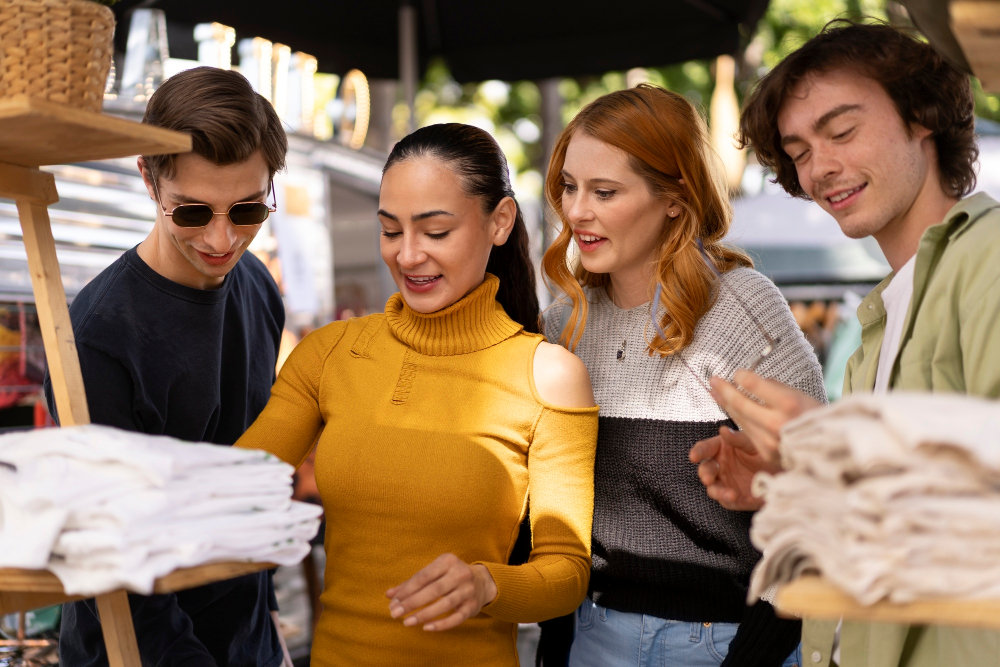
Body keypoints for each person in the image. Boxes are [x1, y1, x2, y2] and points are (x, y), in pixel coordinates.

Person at [689, 20, 1000, 667]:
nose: (819, 168)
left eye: (842, 130)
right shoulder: (880, 318)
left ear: (923, 116)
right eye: (799, 150)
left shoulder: (989, 257)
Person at [235, 123, 598, 666]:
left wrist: (487, 586)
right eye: (390, 230)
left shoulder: (549, 375)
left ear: (499, 222)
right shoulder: (330, 353)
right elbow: (235, 486)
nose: (407, 256)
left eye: (435, 232)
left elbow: (566, 571)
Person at [540, 84, 826, 667]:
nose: (575, 211)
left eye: (604, 191)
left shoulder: (743, 309)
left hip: (730, 640)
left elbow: (815, 494)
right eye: (569, 186)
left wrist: (757, 652)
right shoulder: (564, 322)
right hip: (595, 636)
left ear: (675, 196)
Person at [44, 67, 292, 667]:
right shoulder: (98, 335)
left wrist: (270, 637)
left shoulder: (257, 285)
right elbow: (117, 554)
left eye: (248, 211)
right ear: (149, 181)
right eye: (191, 212)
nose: (221, 239)